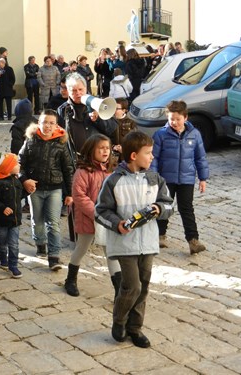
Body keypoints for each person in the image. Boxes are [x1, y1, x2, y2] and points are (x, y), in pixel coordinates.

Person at [95, 131, 174, 348]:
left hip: (147, 243)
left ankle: (135, 328)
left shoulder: (155, 179)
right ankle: (119, 322)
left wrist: (159, 208)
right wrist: (117, 224)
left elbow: (169, 205)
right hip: (123, 243)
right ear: (132, 156)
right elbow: (100, 211)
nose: (152, 157)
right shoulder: (114, 181)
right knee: (132, 286)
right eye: (148, 153)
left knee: (145, 286)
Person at [151, 100, 209, 254]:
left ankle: (193, 240)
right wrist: (154, 177)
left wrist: (203, 178)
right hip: (165, 179)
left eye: (178, 119)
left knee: (187, 209)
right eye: (171, 119)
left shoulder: (195, 134)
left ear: (185, 118)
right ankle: (159, 235)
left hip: (187, 179)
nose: (174, 122)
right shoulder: (160, 135)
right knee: (164, 206)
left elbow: (200, 158)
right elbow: (154, 158)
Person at [65, 134, 120, 297]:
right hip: (88, 218)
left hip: (107, 219)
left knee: (111, 251)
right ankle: (70, 279)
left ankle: (120, 290)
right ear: (91, 150)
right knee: (82, 248)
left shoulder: (111, 170)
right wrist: (97, 213)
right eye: (101, 148)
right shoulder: (82, 172)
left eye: (107, 148)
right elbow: (79, 196)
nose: (105, 151)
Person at [19, 109, 74, 270]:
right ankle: (40, 244)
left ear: (56, 125)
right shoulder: (30, 141)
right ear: (39, 123)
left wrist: (70, 193)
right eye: (45, 122)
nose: (48, 126)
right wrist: (24, 180)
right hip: (35, 189)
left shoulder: (61, 143)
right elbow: (20, 163)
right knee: (37, 221)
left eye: (51, 123)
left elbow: (68, 169)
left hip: (55, 189)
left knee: (54, 223)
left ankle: (54, 256)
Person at [57, 73, 117, 166]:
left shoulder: (97, 103)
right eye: (74, 90)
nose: (78, 93)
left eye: (80, 89)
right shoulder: (63, 110)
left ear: (86, 88)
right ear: (68, 91)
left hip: (98, 161)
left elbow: (112, 129)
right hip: (76, 161)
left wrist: (99, 119)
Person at [0, 153, 24, 278]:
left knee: (14, 243)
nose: (19, 165)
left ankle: (13, 265)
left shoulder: (17, 181)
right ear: (8, 168)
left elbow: (20, 196)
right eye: (16, 164)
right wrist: (2, 208)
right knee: (2, 242)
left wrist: (29, 191)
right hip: (1, 220)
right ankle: (2, 257)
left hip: (14, 220)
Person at [112, 98, 137, 167]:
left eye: (117, 109)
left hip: (125, 157)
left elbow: (135, 141)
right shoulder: (109, 121)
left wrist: (124, 149)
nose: (114, 111)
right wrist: (113, 147)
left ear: (124, 110)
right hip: (112, 157)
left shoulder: (131, 123)